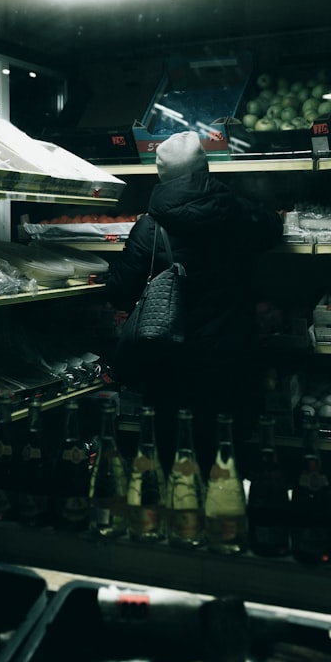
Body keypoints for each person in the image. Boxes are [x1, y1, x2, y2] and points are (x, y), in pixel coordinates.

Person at [105, 131, 283, 466]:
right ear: (204, 170)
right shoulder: (236, 212)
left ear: (162, 175)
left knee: (177, 460)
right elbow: (272, 228)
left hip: (171, 367)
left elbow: (120, 290)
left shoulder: (150, 228)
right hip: (232, 362)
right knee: (228, 460)